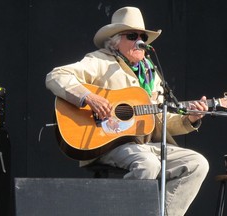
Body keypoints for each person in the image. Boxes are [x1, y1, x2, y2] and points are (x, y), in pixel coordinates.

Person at [46, 6, 209, 216]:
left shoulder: (151, 74)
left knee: (197, 163)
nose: (140, 41)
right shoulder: (100, 61)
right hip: (106, 143)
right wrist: (89, 97)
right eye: (132, 36)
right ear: (115, 40)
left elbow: (160, 119)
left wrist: (190, 119)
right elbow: (56, 75)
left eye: (143, 36)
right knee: (148, 164)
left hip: (144, 144)